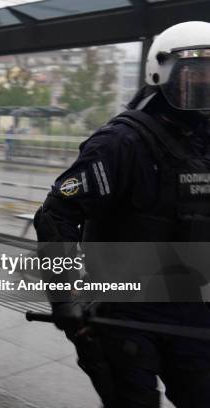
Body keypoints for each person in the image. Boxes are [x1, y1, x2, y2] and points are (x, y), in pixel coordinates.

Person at [34, 21, 210, 407]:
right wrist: (66, 298)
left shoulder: (205, 142)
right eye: (196, 74)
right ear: (160, 73)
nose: (205, 85)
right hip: (126, 310)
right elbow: (55, 215)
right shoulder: (122, 141)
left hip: (195, 309)